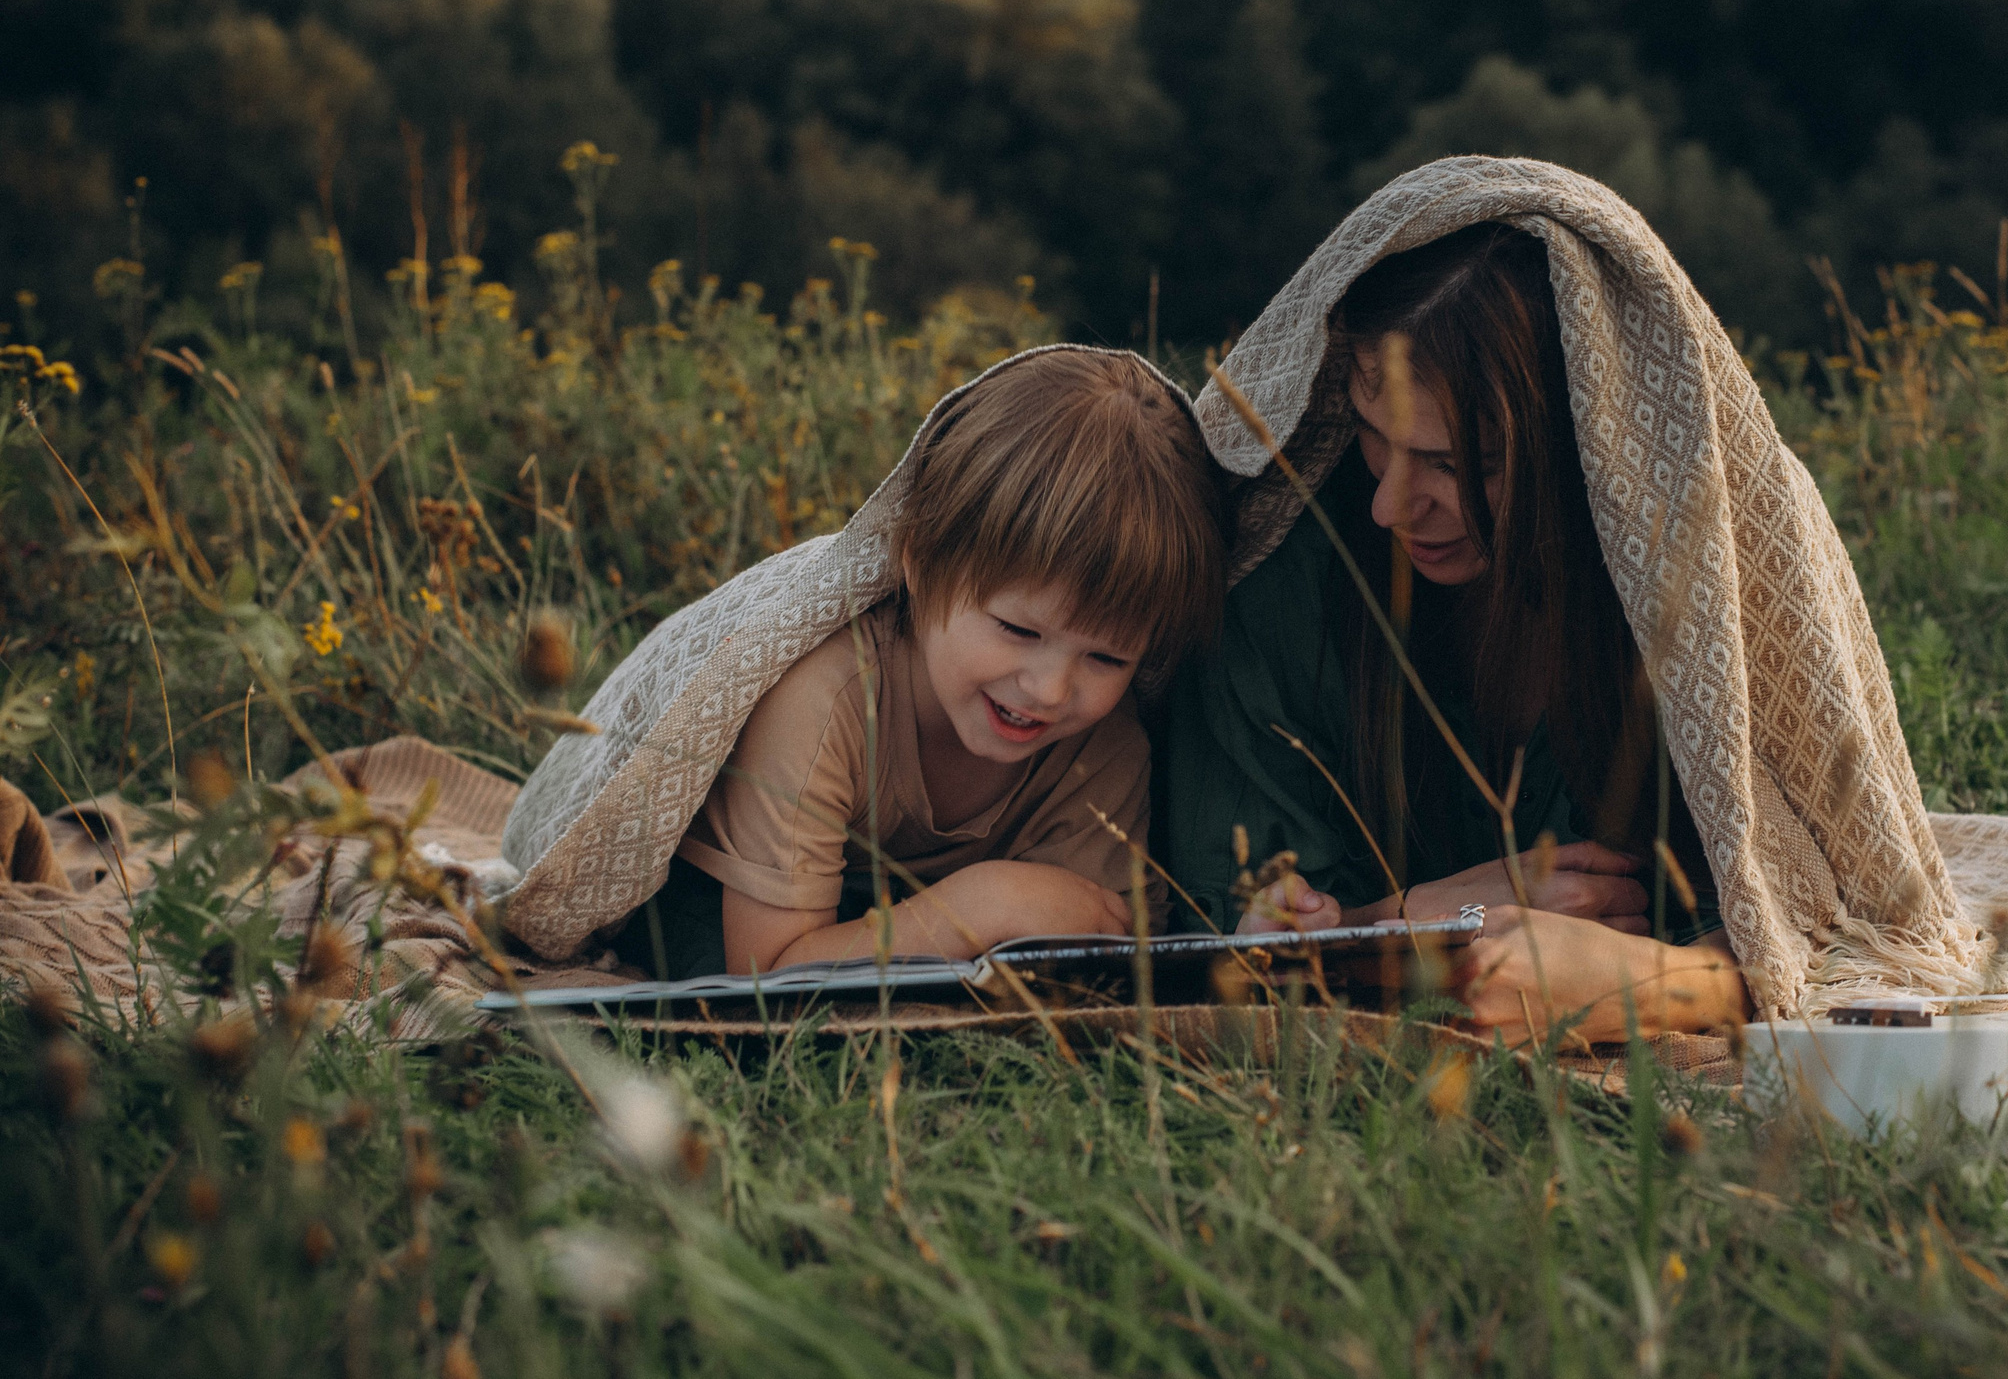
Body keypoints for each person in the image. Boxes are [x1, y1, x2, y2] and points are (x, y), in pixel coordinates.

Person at [1161, 221, 1753, 1043]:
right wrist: (1417, 923)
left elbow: (1823, 931)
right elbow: (1225, 942)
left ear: (1590, 446)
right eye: (1373, 432)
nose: (1389, 505)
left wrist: (1657, 984)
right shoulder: (1282, 588)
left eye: (1460, 462)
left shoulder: (1700, 595)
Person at [611, 348, 1225, 979]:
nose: (1048, 689)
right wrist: (984, 904)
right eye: (1017, 628)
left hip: (885, 921)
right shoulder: (825, 699)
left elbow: (1110, 950)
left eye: (1107, 656)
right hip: (728, 911)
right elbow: (767, 978)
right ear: (921, 564)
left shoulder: (1105, 746)